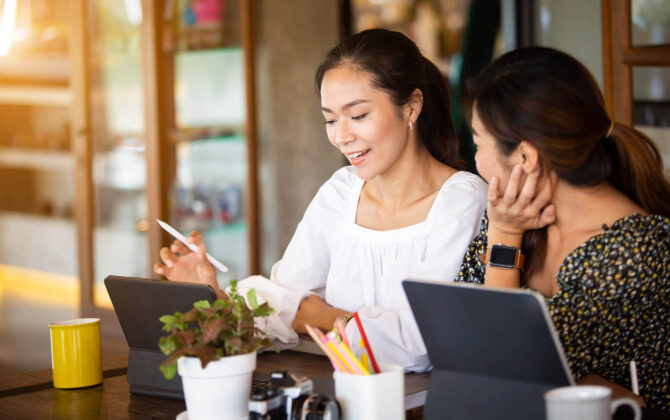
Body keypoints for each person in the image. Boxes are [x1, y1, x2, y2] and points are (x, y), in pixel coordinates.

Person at [154, 29, 487, 371]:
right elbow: (278, 306)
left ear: (411, 107)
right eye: (330, 119)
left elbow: (420, 343)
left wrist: (323, 317)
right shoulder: (341, 192)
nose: (341, 136)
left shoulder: (462, 201)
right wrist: (213, 297)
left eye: (358, 116)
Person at [456, 46, 670, 411]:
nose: (475, 158)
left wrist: (505, 240)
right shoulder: (513, 212)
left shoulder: (632, 250)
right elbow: (461, 332)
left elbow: (503, 368)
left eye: (478, 143)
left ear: (525, 157)